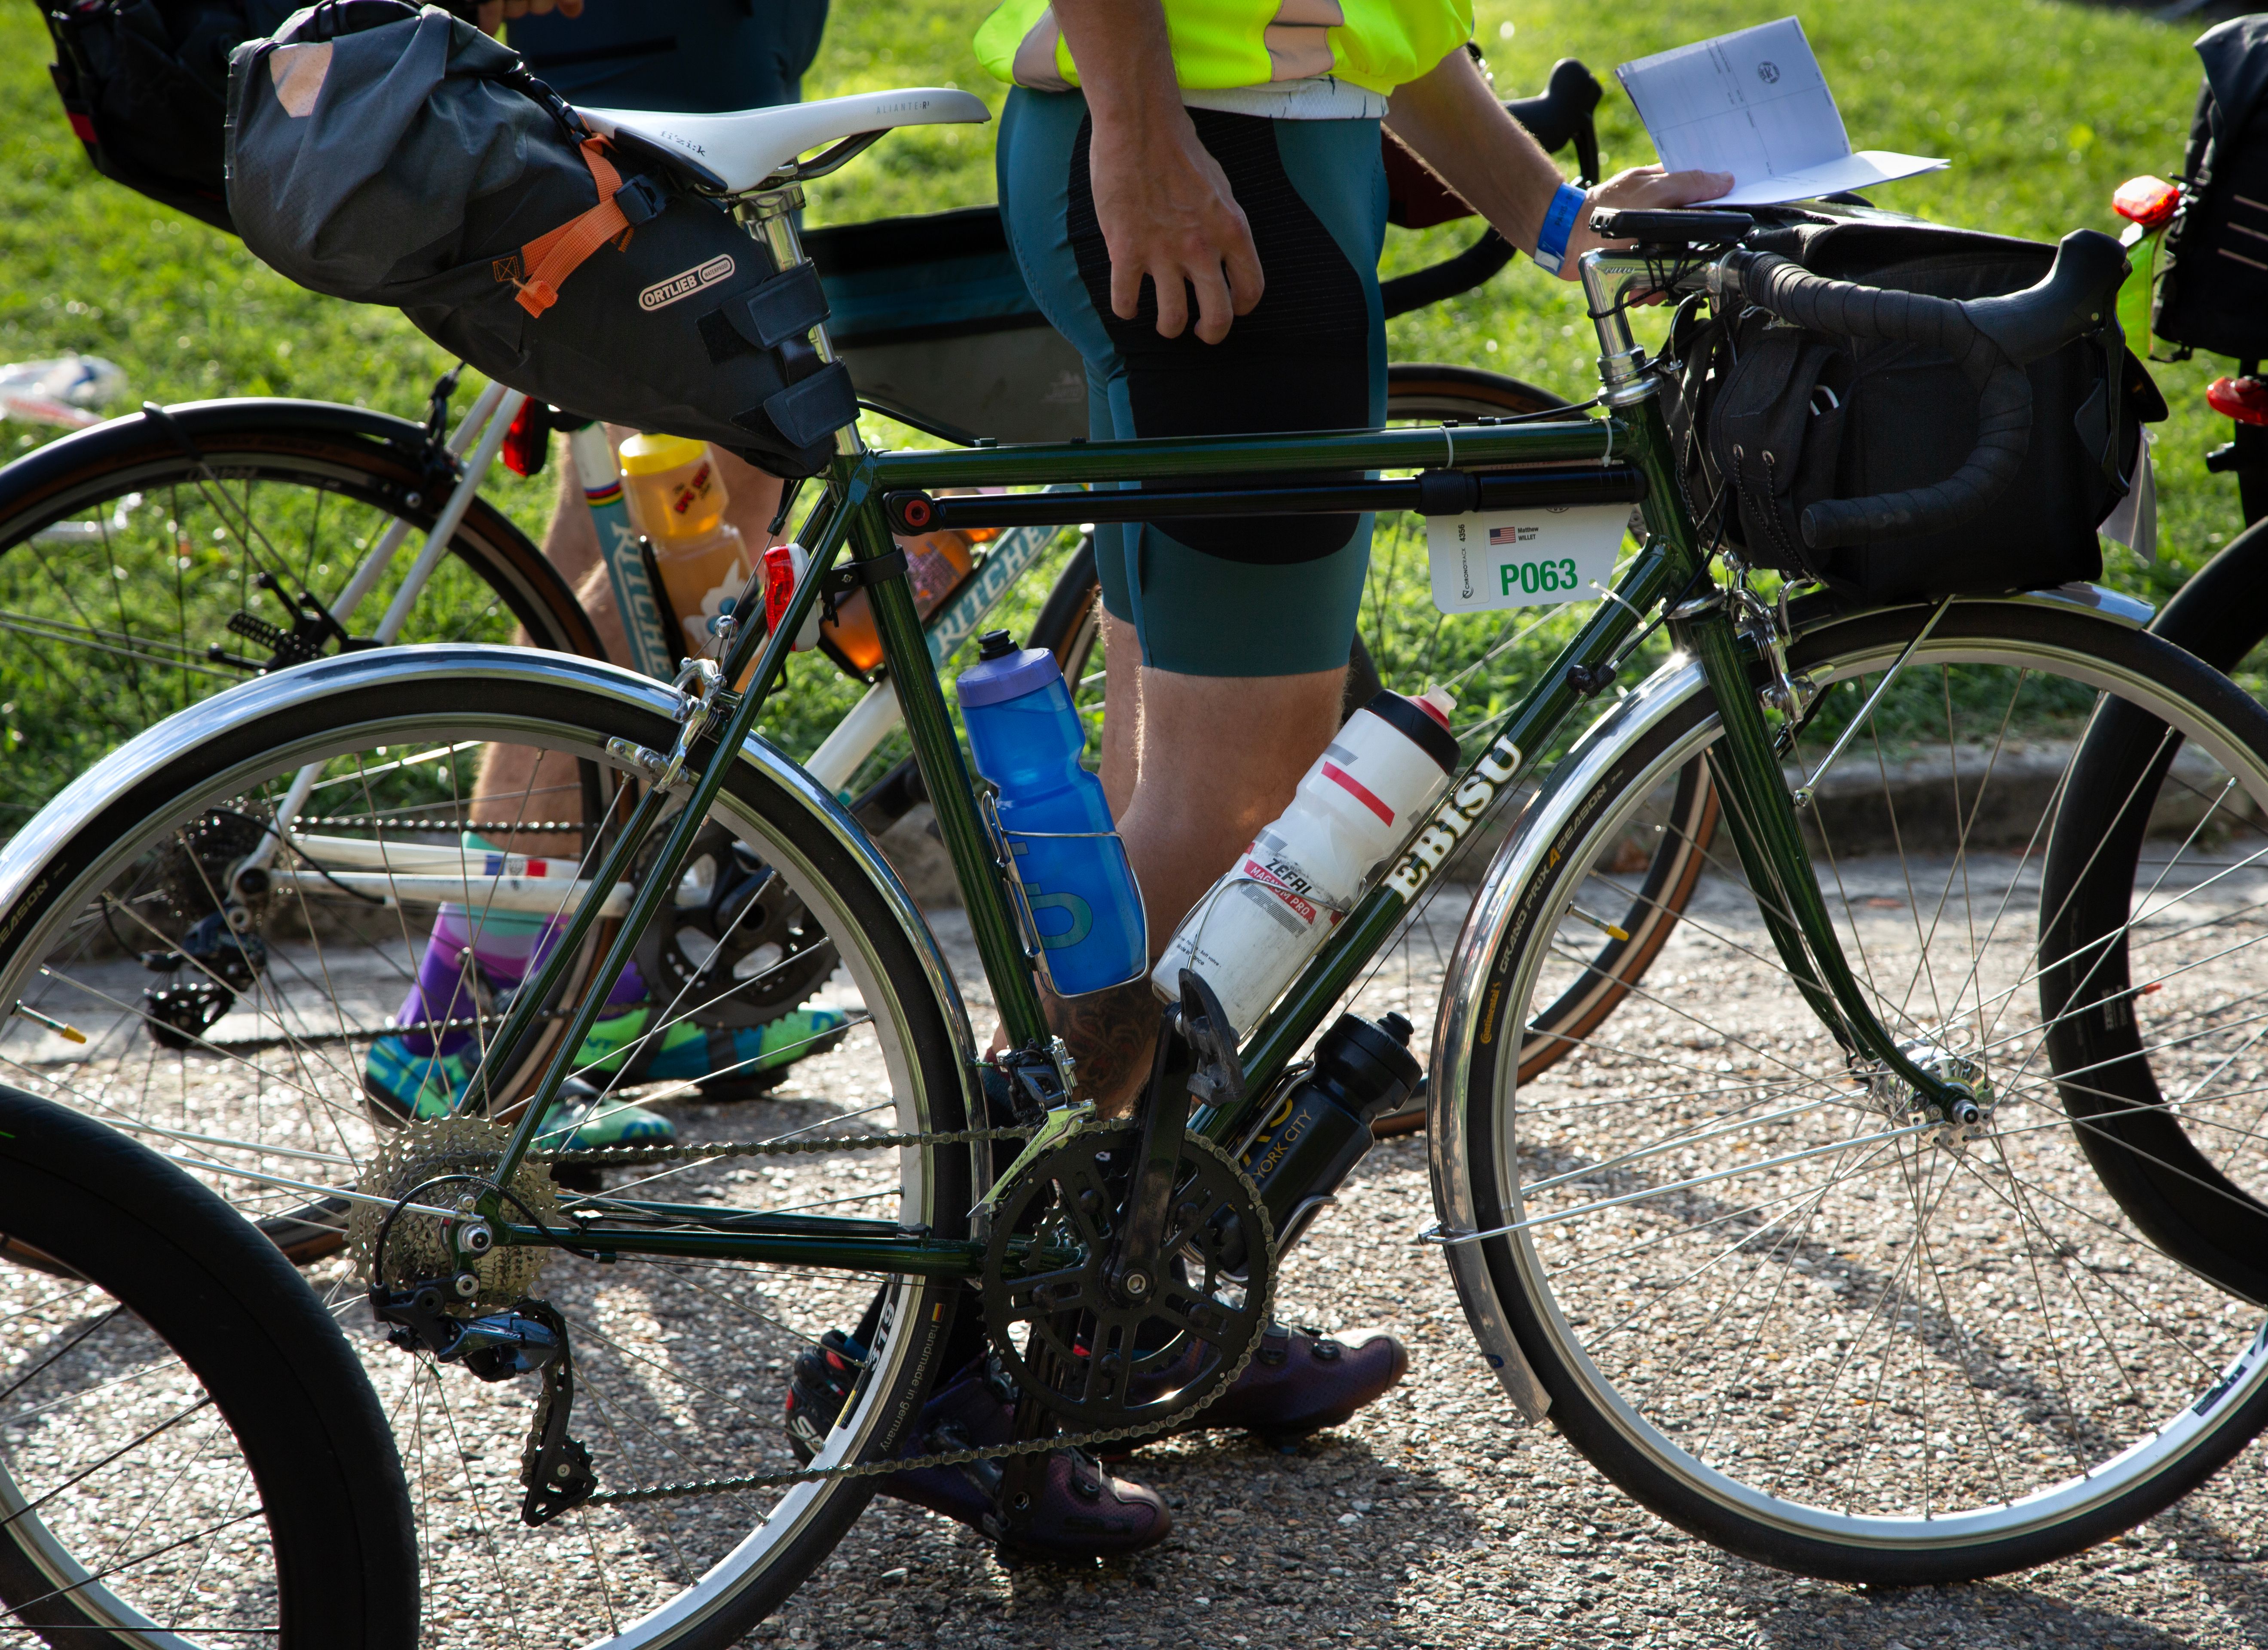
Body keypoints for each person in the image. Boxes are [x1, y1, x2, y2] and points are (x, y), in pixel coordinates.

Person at [784, 0, 1732, 1563]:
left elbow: (1378, 15)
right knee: (1227, 796)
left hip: (1248, 166)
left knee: (1162, 760)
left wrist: (1558, 216)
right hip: (1211, 182)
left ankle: (1129, 1279)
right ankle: (931, 1339)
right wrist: (1145, 139)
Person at [361, 0, 843, 1148]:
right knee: (704, 536)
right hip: (670, 59)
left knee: (635, 519)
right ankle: (464, 1023)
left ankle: (598, 991)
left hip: (606, 59)